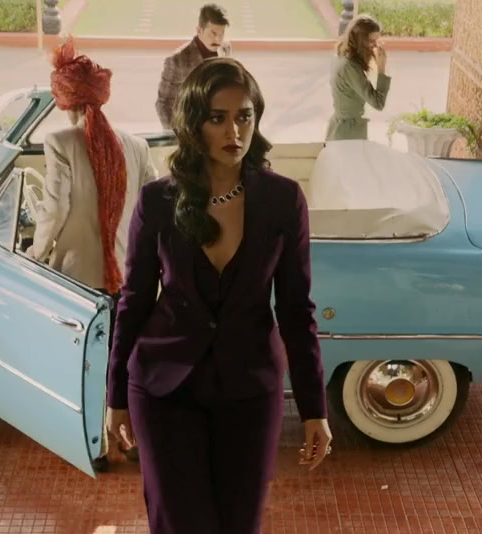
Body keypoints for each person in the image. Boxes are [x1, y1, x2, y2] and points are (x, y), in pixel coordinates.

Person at [105, 57, 332, 533]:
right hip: (164, 390)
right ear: (194, 124)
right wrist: (115, 396)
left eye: (244, 116)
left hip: (249, 392)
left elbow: (296, 310)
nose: (235, 131)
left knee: (238, 525)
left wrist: (315, 409)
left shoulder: (283, 200)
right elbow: (135, 302)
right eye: (218, 118)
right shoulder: (158, 201)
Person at [29, 38, 160, 295]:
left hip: (76, 280)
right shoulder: (138, 146)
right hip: (128, 279)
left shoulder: (59, 142)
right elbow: (154, 210)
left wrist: (37, 252)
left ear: (65, 100)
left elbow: (55, 209)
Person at [155, 3, 231, 131]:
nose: (218, 39)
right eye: (213, 33)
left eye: (221, 33)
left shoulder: (225, 49)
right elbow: (163, 104)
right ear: (199, 30)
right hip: (190, 130)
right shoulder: (176, 60)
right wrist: (175, 135)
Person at [326, 15, 390, 141]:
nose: (375, 46)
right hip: (348, 134)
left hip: (340, 129)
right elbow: (378, 103)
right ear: (360, 40)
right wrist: (381, 68)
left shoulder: (341, 57)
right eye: (371, 41)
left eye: (377, 40)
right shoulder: (350, 68)